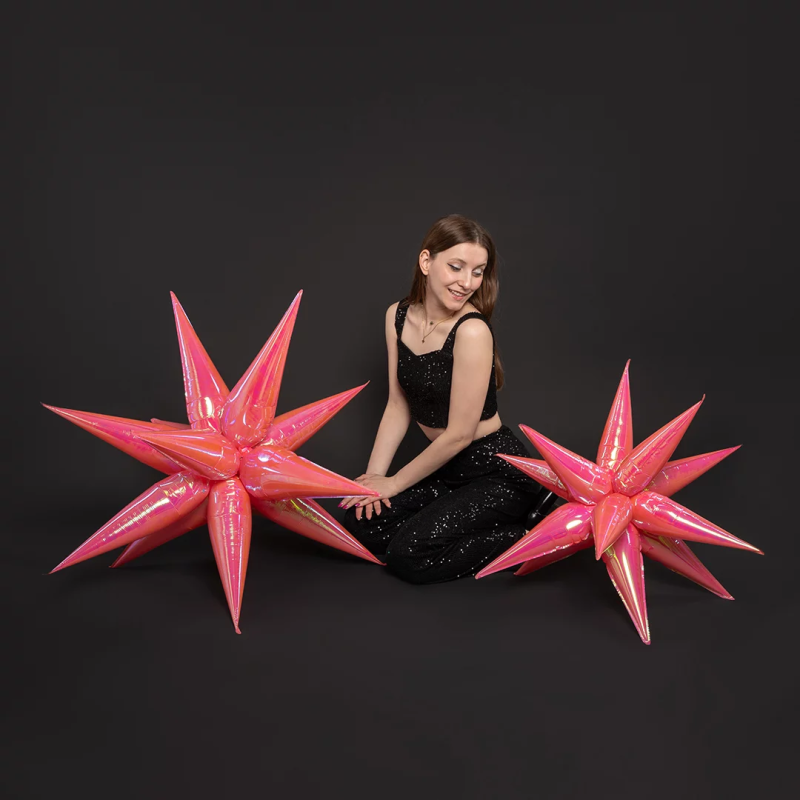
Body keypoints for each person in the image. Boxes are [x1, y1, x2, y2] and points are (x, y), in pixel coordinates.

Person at [339, 214, 557, 584]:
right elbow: (398, 404)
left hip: (496, 474)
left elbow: (459, 435)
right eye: (456, 267)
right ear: (427, 262)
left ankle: (532, 534)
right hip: (446, 469)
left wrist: (394, 484)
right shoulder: (397, 316)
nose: (467, 282)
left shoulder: (472, 331)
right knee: (361, 526)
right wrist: (373, 479)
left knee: (408, 556)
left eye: (478, 272)